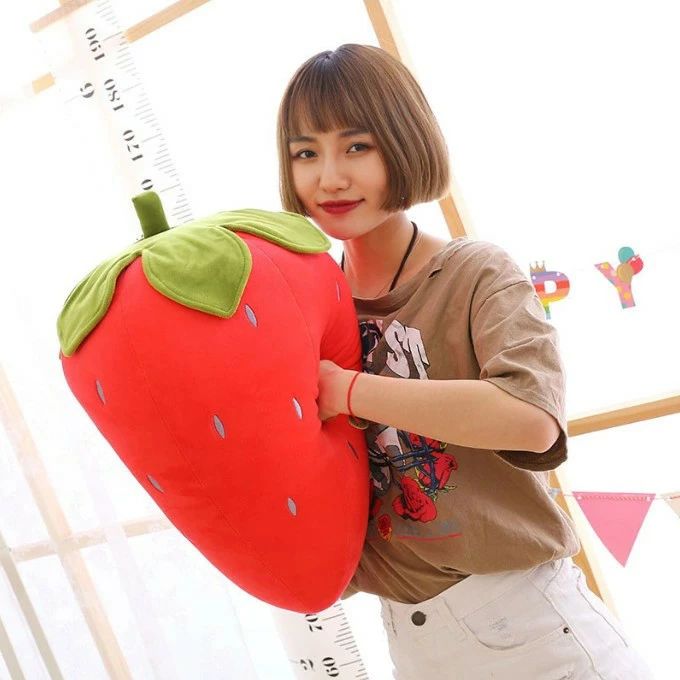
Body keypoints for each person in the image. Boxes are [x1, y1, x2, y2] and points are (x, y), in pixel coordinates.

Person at [276, 43, 655, 680]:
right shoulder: (309, 307)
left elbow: (530, 419)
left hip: (528, 626)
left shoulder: (476, 272)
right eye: (306, 153)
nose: (329, 177)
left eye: (357, 146)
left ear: (404, 143)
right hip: (412, 639)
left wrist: (349, 391)